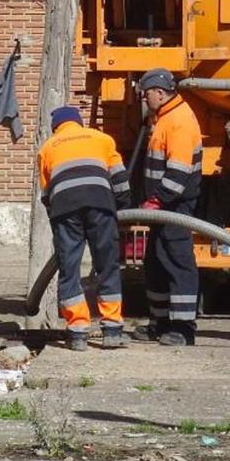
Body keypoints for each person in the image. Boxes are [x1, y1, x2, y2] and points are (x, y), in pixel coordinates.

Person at [38, 106, 132, 351]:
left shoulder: (48, 147)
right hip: (100, 205)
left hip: (65, 210)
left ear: (56, 126)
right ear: (79, 123)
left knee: (69, 267)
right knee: (106, 265)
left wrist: (57, 220)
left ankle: (78, 332)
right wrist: (120, 209)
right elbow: (120, 181)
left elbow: (47, 195)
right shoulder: (102, 139)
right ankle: (112, 329)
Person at [133, 68, 202, 347]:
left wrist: (157, 200)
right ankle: (160, 323)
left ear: (160, 94)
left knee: (178, 262)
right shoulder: (164, 117)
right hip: (163, 208)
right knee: (156, 261)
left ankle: (184, 328)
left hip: (174, 207)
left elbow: (178, 172)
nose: (144, 99)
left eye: (146, 94)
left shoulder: (179, 121)